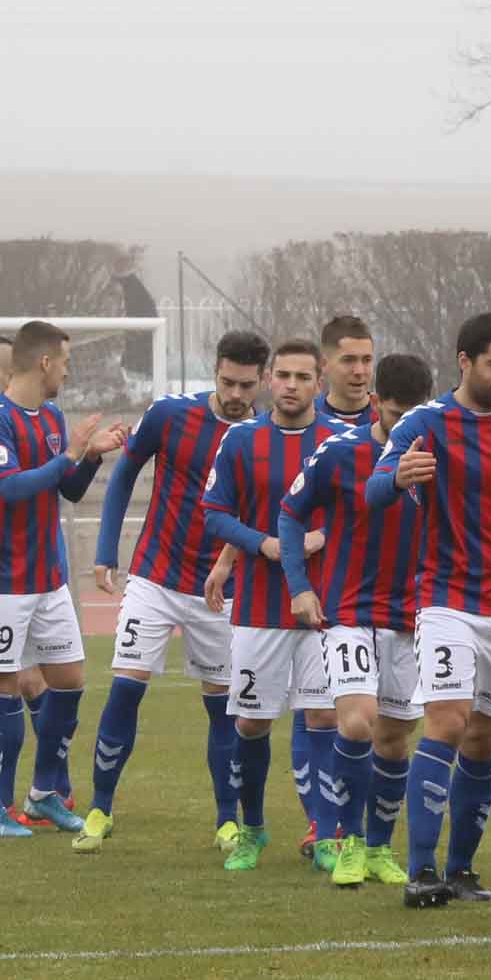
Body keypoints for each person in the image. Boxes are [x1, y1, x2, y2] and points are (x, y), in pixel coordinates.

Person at [0, 321, 124, 838]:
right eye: (64, 361)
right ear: (44, 362)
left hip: (48, 577)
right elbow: (12, 488)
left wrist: (92, 454)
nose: (66, 369)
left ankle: (42, 795)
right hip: (0, 579)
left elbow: (69, 490)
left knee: (70, 682)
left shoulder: (54, 416)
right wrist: (68, 456)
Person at [367, 313, 491, 909]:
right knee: (447, 722)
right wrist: (398, 476)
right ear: (465, 361)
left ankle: (461, 870)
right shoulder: (425, 422)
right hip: (446, 601)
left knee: (484, 739)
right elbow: (374, 491)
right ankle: (420, 871)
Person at [82, 330, 267, 850]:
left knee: (221, 706)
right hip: (156, 575)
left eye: (246, 385)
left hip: (221, 589)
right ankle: (99, 810)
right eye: (228, 382)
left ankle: (226, 819)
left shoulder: (262, 435)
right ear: (215, 370)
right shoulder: (169, 414)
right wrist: (105, 550)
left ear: (261, 382)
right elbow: (124, 476)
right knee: (127, 684)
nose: (235, 393)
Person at [281, 351, 436, 889]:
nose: (404, 429)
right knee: (355, 722)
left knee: (395, 740)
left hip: (410, 618)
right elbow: (290, 512)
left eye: (414, 417)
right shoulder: (339, 452)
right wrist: (300, 586)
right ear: (375, 403)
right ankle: (342, 839)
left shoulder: (439, 457)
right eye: (394, 417)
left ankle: (377, 848)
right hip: (347, 611)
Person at [196, 339, 335, 871]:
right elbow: (213, 512)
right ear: (270, 380)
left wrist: (325, 534)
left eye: (304, 376)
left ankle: (325, 832)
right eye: (284, 375)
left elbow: (363, 511)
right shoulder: (239, 441)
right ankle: (252, 828)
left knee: (323, 717)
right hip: (258, 607)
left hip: (323, 609)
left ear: (318, 382)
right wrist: (262, 544)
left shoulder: (339, 442)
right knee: (252, 724)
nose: (293, 385)